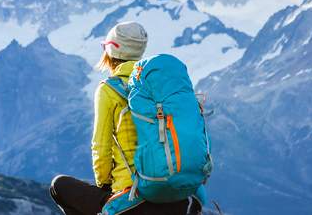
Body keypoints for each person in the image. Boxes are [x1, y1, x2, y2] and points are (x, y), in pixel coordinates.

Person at [49, 21, 201, 215]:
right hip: (179, 197)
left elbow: (100, 148)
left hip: (132, 198)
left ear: (110, 51)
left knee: (59, 185)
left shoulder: (108, 89)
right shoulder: (158, 87)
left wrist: (104, 186)